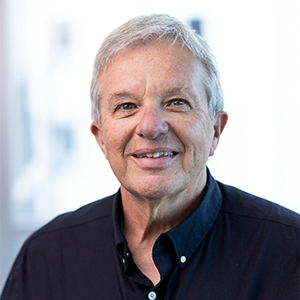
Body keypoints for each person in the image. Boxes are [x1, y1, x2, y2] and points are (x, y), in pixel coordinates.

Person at [1, 14, 300, 300]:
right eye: (127, 106)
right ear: (101, 138)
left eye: (176, 102)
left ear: (215, 130)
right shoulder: (47, 258)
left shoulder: (290, 254)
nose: (150, 126)